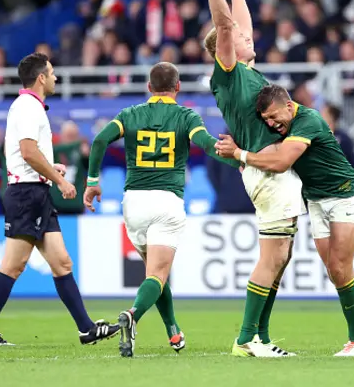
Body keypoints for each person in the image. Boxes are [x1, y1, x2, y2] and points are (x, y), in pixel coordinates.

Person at [215, 84, 354, 357]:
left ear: (288, 105)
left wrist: (240, 154)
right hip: (316, 201)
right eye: (266, 120)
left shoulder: (309, 120)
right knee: (337, 272)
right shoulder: (283, 125)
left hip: (345, 196)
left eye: (274, 116)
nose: (272, 124)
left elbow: (282, 161)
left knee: (342, 268)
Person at [83, 62, 239, 357]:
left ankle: (173, 330)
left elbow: (101, 139)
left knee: (154, 273)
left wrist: (92, 181)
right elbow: (206, 145)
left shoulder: (130, 114)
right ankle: (132, 315)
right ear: (177, 87)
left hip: (134, 203)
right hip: (166, 201)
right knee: (157, 274)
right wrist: (239, 160)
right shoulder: (185, 116)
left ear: (149, 88)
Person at [197, 0, 306, 357]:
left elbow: (238, 22)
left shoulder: (248, 70)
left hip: (271, 170)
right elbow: (227, 26)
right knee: (272, 255)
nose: (247, 36)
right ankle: (246, 339)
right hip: (265, 169)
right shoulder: (227, 75)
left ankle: (259, 336)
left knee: (281, 256)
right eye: (240, 37)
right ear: (224, 48)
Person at [0, 53, 120, 347]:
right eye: (51, 73)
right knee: (13, 266)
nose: (55, 78)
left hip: (35, 192)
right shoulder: (28, 107)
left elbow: (28, 154)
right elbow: (27, 152)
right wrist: (60, 180)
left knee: (62, 263)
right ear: (41, 77)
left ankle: (86, 329)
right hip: (27, 194)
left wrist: (52, 170)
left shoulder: (31, 107)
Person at [52, 121, 90, 215]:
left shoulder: (81, 151)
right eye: (68, 135)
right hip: (55, 202)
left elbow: (90, 169)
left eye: (73, 136)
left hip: (75, 202)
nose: (71, 138)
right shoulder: (54, 151)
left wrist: (87, 156)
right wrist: (78, 143)